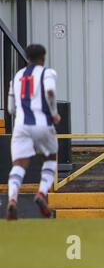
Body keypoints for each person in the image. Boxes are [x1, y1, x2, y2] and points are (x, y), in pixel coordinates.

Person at [6, 44, 61, 220]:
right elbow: (50, 92)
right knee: (51, 158)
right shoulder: (47, 73)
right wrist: (54, 114)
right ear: (43, 57)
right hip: (43, 123)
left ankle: (13, 199)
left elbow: (10, 109)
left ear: (27, 58)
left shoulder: (17, 77)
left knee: (19, 165)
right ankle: (41, 193)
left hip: (21, 125)